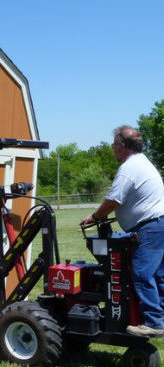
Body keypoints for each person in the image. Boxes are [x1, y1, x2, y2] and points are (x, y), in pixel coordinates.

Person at [80, 125, 164, 337]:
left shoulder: (129, 168)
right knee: (158, 275)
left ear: (121, 145)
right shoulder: (143, 162)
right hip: (157, 224)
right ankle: (159, 317)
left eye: (113, 145)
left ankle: (154, 322)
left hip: (149, 227)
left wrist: (94, 217)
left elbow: (113, 200)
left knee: (142, 275)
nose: (113, 149)